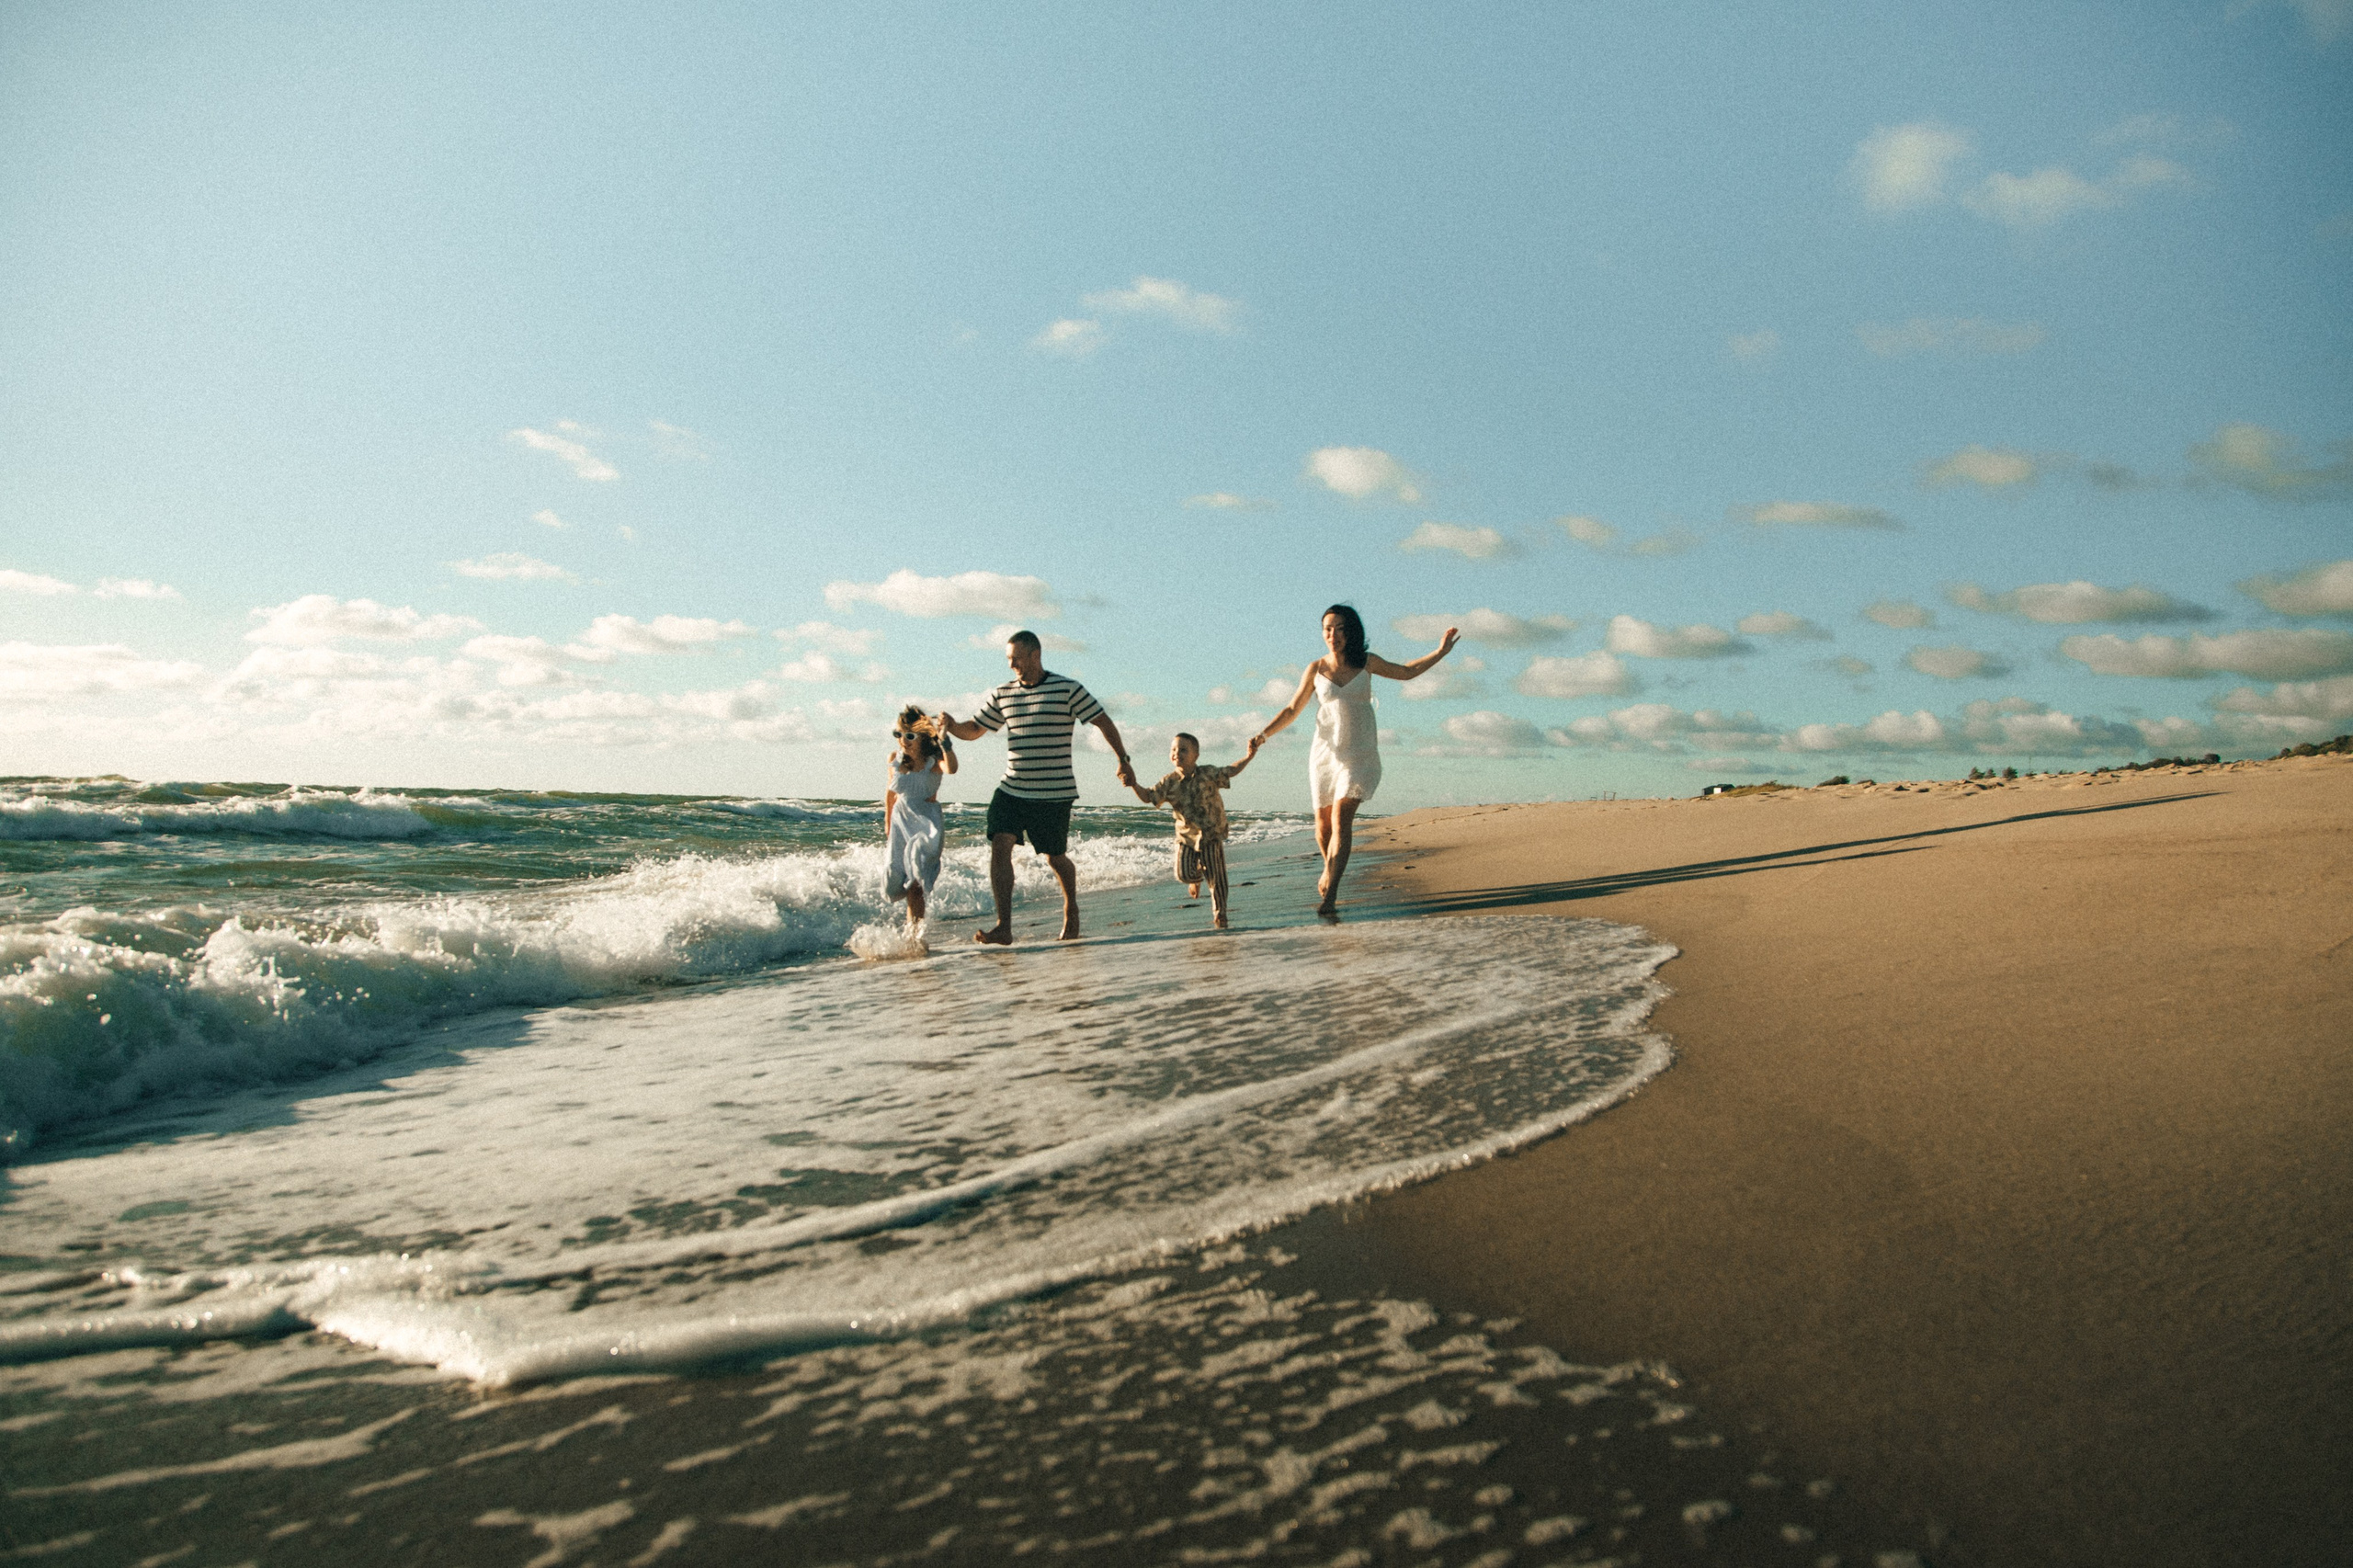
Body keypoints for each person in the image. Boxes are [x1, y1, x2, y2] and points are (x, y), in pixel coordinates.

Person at [1254, 604, 1459, 916]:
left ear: (1351, 632)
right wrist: (1263, 734)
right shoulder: (1316, 668)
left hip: (1359, 752)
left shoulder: (1367, 663)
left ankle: (1331, 894)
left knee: (1340, 819)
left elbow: (1406, 672)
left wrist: (1440, 652)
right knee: (1322, 828)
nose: (1332, 635)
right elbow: (1292, 709)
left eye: (1338, 628)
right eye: (1327, 629)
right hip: (1325, 754)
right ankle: (1329, 869)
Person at [940, 630, 1136, 944]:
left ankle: (1071, 908)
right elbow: (975, 729)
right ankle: (1004, 926)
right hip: (1013, 787)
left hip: (1054, 792)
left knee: (1055, 856)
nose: (1011, 665)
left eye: (1016, 658)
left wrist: (1123, 760)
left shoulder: (1067, 689)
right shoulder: (1003, 693)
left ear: (1035, 655)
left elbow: (1103, 721)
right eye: (1008, 659)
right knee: (1000, 844)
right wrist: (952, 725)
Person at [1129, 731, 1262, 928]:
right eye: (1173, 749)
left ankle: (1220, 913)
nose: (1177, 753)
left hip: (1211, 834)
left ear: (1196, 755)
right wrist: (1133, 784)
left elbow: (1230, 770)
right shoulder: (1169, 782)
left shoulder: (1208, 773)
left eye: (1183, 750)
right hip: (1186, 837)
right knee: (1183, 874)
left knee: (1217, 879)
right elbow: (1149, 797)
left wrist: (1249, 756)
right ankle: (1195, 879)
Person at [881, 704, 955, 931]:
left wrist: (946, 742)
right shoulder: (896, 758)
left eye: (910, 735)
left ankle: (915, 936)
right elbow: (891, 792)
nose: (903, 740)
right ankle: (911, 928)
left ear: (922, 737)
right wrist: (887, 820)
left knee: (915, 882)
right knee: (897, 879)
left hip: (926, 823)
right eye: (899, 734)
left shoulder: (933, 761)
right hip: (900, 820)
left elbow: (951, 768)